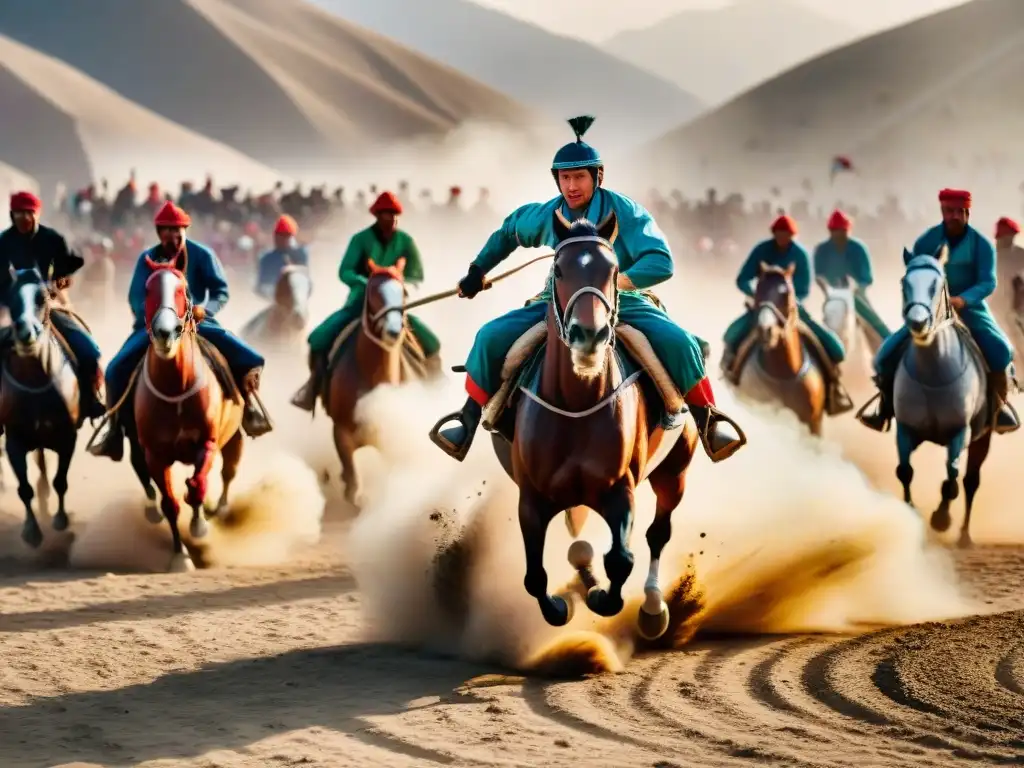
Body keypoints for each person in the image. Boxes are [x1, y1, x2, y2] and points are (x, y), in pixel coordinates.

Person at [430, 115, 742, 463]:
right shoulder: (548, 213)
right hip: (558, 300)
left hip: (622, 298)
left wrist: (613, 282)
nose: (572, 185)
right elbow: (508, 233)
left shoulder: (624, 211)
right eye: (565, 177)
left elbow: (661, 261)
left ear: (597, 177)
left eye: (579, 176)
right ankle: (467, 421)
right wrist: (477, 270)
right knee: (489, 336)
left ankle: (709, 421)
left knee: (680, 343)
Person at [89, 201, 272, 461]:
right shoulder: (147, 259)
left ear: (185, 230)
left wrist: (203, 310)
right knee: (116, 369)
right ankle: (114, 428)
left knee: (244, 354)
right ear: (158, 232)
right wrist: (155, 316)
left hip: (195, 322)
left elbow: (220, 291)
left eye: (177, 230)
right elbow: (134, 297)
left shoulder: (202, 254)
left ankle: (250, 409)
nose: (171, 236)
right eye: (165, 230)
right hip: (153, 326)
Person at [859, 188, 1019, 434]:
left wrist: (963, 300)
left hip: (971, 309)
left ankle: (999, 407)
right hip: (929, 311)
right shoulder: (925, 241)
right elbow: (915, 275)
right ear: (942, 211)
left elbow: (988, 282)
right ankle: (884, 409)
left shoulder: (982, 245)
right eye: (949, 211)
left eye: (959, 211)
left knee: (1001, 351)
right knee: (883, 356)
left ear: (967, 213)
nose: (954, 215)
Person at [291, 191, 441, 410]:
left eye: (393, 214)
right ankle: (313, 387)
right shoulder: (360, 240)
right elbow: (345, 271)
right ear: (376, 216)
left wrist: (398, 284)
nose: (389, 219)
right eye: (384, 214)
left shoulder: (406, 242)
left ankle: (436, 389)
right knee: (318, 338)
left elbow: (417, 276)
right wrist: (368, 284)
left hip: (395, 306)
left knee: (431, 343)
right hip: (360, 304)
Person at [721, 214, 853, 414]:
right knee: (731, 334)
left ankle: (835, 388)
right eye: (779, 234)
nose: (783, 238)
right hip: (763, 306)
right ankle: (730, 376)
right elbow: (743, 279)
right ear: (774, 233)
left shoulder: (800, 254)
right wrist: (757, 296)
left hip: (791, 307)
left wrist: (786, 302)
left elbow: (804, 290)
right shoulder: (761, 250)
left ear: (792, 235)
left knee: (834, 347)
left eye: (787, 235)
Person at [0, 191, 105, 420]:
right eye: (19, 213)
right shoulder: (3, 242)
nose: (24, 218)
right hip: (12, 309)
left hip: (51, 306)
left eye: (29, 213)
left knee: (89, 350)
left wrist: (58, 284)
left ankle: (90, 400)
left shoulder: (53, 240)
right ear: (12, 214)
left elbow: (67, 273)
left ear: (37, 214)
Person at [812, 209, 890, 342]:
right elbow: (819, 276)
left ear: (848, 230)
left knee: (871, 318)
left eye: (842, 231)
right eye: (835, 231)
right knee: (823, 323)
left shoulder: (858, 248)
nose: (839, 235)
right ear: (830, 232)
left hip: (856, 294)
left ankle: (887, 339)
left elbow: (867, 278)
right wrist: (827, 290)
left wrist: (856, 288)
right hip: (832, 294)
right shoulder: (822, 250)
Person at [255, 214, 309, 299]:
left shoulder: (301, 253)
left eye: (286, 236)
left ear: (292, 237)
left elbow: (307, 279)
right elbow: (261, 286)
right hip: (274, 301)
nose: (281, 240)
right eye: (279, 236)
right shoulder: (266, 259)